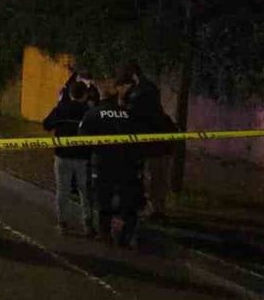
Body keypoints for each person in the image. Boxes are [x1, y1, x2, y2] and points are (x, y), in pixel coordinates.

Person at [79, 80, 145, 247]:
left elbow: (81, 139)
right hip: (127, 165)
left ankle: (105, 234)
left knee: (104, 201)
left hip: (102, 165)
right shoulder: (128, 114)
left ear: (101, 97)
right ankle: (125, 235)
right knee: (126, 200)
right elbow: (139, 140)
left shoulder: (93, 114)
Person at [119, 62, 170, 218]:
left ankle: (155, 210)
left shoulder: (139, 93)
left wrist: (123, 102)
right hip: (160, 141)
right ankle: (158, 209)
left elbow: (133, 115)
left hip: (152, 143)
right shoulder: (149, 89)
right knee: (158, 177)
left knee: (152, 177)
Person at [44, 81, 94, 235]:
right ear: (85, 95)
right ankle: (87, 224)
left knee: (62, 190)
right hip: (83, 157)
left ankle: (63, 223)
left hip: (62, 156)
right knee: (84, 191)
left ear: (70, 93)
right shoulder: (89, 111)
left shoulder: (61, 109)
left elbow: (46, 124)